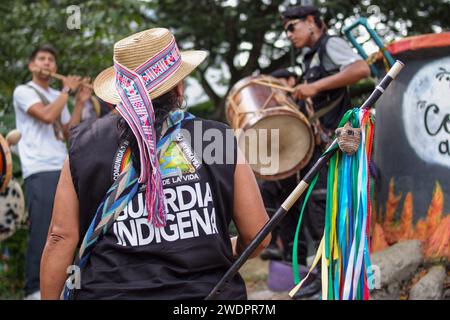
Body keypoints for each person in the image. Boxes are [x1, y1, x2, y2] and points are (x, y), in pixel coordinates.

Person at [40, 28, 270, 300]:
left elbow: (59, 239)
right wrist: (220, 246)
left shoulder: (85, 144)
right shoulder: (215, 139)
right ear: (178, 86)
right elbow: (258, 234)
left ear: (120, 92)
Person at [280, 5, 371, 298]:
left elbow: (361, 69)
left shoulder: (330, 44)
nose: (288, 34)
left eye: (291, 27)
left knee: (331, 205)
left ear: (310, 22)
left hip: (343, 138)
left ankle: (337, 274)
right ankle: (325, 272)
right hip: (326, 142)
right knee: (320, 207)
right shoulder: (311, 56)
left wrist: (315, 86)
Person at [12, 45, 91, 300]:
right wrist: (68, 90)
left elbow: (69, 132)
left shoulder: (58, 94)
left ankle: (67, 287)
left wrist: (79, 102)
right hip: (39, 168)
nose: (47, 64)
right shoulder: (24, 91)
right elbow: (46, 116)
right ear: (31, 66)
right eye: (41, 59)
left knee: (70, 228)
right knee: (45, 229)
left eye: (51, 60)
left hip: (62, 166)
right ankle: (34, 290)